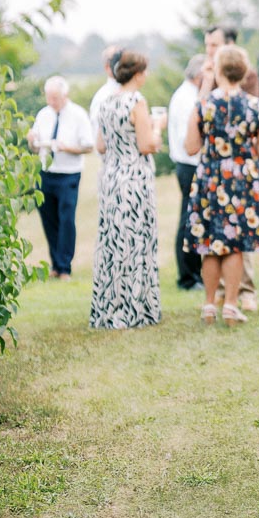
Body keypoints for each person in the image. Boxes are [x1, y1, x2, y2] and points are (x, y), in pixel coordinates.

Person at [185, 45, 259, 326]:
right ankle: (232, 305)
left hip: (210, 178)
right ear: (245, 72)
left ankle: (210, 304)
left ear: (219, 70)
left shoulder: (203, 105)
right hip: (241, 180)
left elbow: (190, 147)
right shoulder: (256, 106)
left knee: (210, 242)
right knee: (234, 244)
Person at [90, 51, 165, 330]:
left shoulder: (107, 102)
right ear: (138, 74)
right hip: (133, 179)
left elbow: (100, 145)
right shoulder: (137, 101)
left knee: (113, 241)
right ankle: (136, 308)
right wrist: (158, 128)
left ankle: (109, 307)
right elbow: (147, 145)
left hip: (110, 177)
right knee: (135, 241)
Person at [201, 24, 259, 310]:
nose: (209, 51)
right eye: (208, 45)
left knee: (238, 235)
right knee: (214, 235)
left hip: (234, 169)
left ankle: (242, 291)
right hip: (215, 169)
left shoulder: (244, 79)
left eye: (214, 46)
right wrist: (206, 80)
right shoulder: (208, 76)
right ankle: (221, 295)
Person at [27, 76, 95, 279]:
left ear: (64, 95)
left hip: (68, 174)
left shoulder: (78, 115)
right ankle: (56, 264)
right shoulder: (43, 114)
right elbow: (35, 147)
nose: (51, 102)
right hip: (46, 172)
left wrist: (67, 147)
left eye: (55, 97)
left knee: (66, 219)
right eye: (49, 97)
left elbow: (88, 146)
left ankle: (65, 266)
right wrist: (31, 141)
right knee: (49, 218)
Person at [168, 53, 206, 290]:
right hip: (189, 165)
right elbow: (187, 140)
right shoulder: (187, 99)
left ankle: (193, 273)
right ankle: (188, 276)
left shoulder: (188, 95)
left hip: (189, 165)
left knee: (192, 219)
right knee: (188, 221)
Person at [89, 43, 122, 204]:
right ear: (108, 67)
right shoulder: (104, 97)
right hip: (112, 168)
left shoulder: (128, 92)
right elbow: (99, 142)